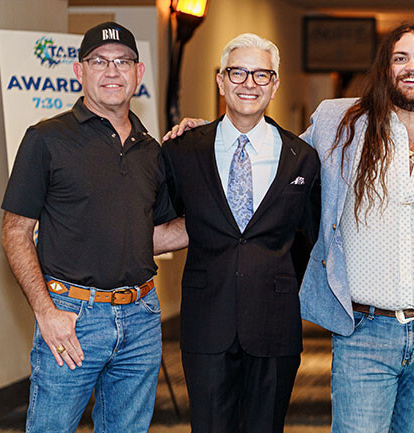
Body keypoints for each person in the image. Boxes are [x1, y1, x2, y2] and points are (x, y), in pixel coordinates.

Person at [300, 23, 414, 432]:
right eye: (400, 58)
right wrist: (209, 136)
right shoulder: (340, 124)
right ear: (385, 68)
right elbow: (278, 163)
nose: (411, 67)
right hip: (364, 333)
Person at [0, 22, 178, 432]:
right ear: (79, 71)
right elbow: (15, 232)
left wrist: (221, 222)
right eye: (99, 61)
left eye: (123, 62)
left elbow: (149, 235)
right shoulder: (46, 139)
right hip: (72, 319)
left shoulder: (151, 151)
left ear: (139, 73)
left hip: (142, 319)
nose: (112, 72)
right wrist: (46, 312)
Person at [160, 33, 320, 433]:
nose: (249, 83)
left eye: (261, 74)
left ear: (275, 84)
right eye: (238, 72)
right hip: (206, 322)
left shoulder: (301, 158)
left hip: (275, 326)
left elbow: (308, 236)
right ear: (220, 80)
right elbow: (161, 223)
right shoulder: (184, 150)